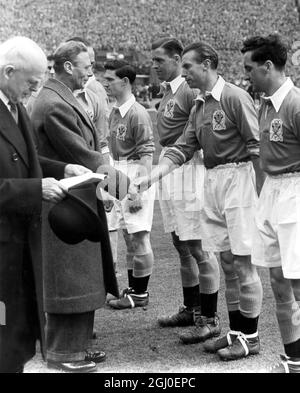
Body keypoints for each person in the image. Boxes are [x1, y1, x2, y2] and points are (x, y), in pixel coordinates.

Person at [135, 41, 264, 360]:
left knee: (244, 262)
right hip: (213, 178)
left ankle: (252, 336)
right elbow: (182, 147)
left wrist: (263, 198)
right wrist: (152, 177)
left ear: (206, 65)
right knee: (228, 261)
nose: (186, 73)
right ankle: (236, 332)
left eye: (189, 67)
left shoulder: (234, 97)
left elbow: (257, 147)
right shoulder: (200, 105)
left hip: (239, 178)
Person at [0, 36, 91, 373]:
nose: (34, 90)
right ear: (9, 72)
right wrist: (36, 189)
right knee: (3, 334)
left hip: (21, 245)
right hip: (3, 249)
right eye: (31, 83)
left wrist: (61, 168)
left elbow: (25, 160)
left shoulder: (15, 106)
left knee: (18, 338)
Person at [30, 40, 119, 373]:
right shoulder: (54, 104)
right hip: (65, 207)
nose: (92, 72)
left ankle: (77, 347)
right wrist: (127, 187)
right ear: (68, 66)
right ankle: (64, 352)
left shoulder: (59, 98)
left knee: (84, 279)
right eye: (88, 66)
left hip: (76, 201)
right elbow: (85, 155)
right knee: (71, 282)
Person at [151, 37, 220, 343]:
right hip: (171, 169)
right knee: (181, 244)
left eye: (159, 61)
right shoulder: (169, 92)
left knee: (199, 247)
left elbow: (203, 127)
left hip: (189, 169)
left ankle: (209, 317)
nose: (154, 66)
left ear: (177, 59)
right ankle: (191, 308)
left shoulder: (190, 90)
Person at [242, 34, 300, 373]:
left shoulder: (294, 103)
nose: (246, 75)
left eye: (250, 68)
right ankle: (293, 358)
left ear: (267, 66)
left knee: (297, 282)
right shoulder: (264, 105)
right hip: (273, 193)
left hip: (295, 191)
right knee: (278, 279)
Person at [103, 60, 156, 310]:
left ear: (125, 82)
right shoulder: (115, 111)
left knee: (140, 235)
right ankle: (134, 289)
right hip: (119, 171)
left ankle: (141, 293)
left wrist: (139, 189)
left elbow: (147, 152)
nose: (106, 83)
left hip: (135, 173)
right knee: (128, 234)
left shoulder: (138, 113)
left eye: (110, 79)